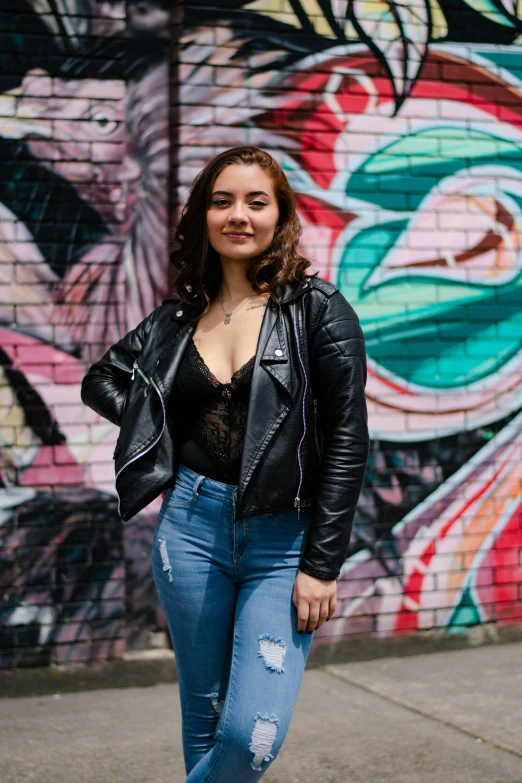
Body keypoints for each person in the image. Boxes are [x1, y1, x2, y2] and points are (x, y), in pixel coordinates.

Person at [81, 146, 370, 780]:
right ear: (203, 217)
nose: (238, 215)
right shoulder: (176, 321)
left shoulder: (317, 312)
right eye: (222, 201)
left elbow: (349, 441)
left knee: (249, 736)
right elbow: (101, 379)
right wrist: (166, 433)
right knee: (204, 718)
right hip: (189, 531)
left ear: (280, 215)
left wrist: (323, 565)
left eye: (255, 202)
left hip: (283, 540)